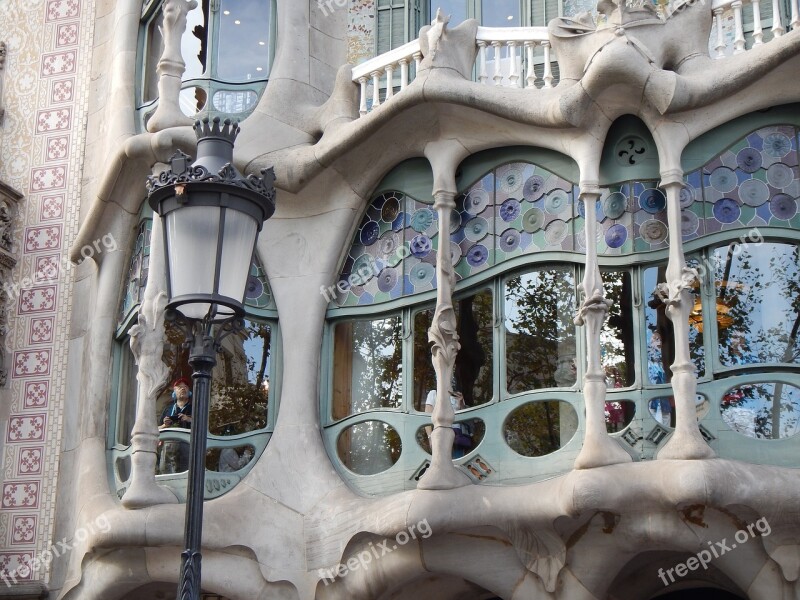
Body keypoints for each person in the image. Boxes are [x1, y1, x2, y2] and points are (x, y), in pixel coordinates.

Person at [424, 381, 473, 458]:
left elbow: (464, 417)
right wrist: (430, 437)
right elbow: (427, 418)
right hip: (441, 431)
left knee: (457, 462)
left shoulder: (457, 394)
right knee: (442, 461)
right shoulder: (434, 393)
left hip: (458, 434)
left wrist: (461, 403)